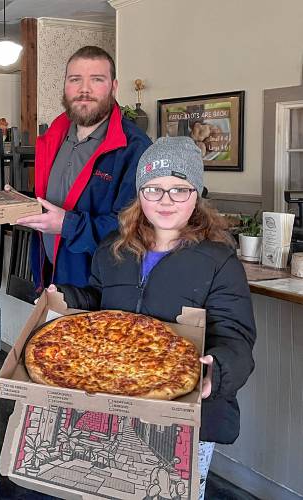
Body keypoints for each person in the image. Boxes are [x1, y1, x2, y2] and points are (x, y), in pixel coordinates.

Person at [56, 136, 256, 499]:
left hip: (184, 414)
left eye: (179, 189)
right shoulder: (113, 249)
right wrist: (66, 297)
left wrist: (219, 369)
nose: (166, 201)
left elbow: (236, 335)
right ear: (139, 194)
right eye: (154, 189)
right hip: (115, 399)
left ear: (197, 194)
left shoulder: (219, 261)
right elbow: (100, 302)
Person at [16, 45, 152, 289]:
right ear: (65, 85)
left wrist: (67, 225)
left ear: (113, 87)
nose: (84, 89)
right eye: (75, 79)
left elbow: (133, 228)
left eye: (96, 79)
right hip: (52, 282)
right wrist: (16, 204)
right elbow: (51, 202)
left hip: (100, 292)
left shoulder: (135, 148)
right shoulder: (53, 138)